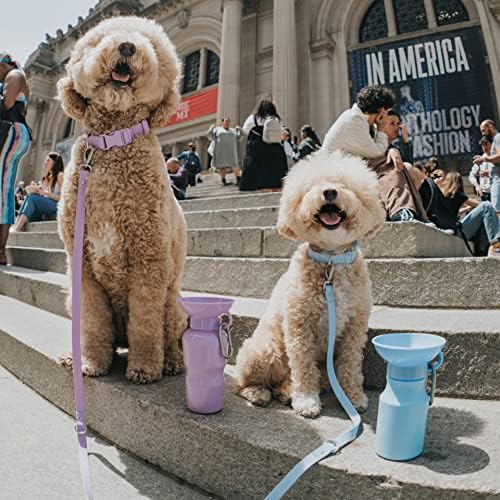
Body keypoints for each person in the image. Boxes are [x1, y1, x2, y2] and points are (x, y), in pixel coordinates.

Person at [366, 110, 428, 222]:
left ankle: (411, 213)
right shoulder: (371, 144)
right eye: (392, 123)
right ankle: (403, 212)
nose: (397, 127)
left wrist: (406, 141)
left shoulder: (396, 148)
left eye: (398, 123)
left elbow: (409, 172)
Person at [322, 85, 402, 171]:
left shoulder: (361, 120)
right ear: (382, 110)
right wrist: (381, 128)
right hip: (333, 172)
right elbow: (378, 153)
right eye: (386, 109)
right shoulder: (355, 120)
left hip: (343, 168)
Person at [423, 170, 500, 257]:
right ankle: (495, 245)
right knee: (486, 205)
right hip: (458, 232)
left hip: (448, 229)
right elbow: (481, 206)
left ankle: (483, 251)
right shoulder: (458, 195)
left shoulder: (440, 196)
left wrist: (467, 208)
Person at [0, 53, 31, 264]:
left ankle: (1, 251)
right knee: (5, 187)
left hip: (12, 133)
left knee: (4, 188)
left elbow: (7, 104)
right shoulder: (17, 76)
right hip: (16, 133)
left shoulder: (14, 74)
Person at [239, 99, 288, 192]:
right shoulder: (277, 119)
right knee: (275, 176)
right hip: (275, 149)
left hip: (258, 149)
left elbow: (245, 131)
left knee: (262, 177)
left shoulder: (253, 118)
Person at [11, 152, 64, 232]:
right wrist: (37, 189)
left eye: (48, 160)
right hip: (46, 209)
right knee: (30, 196)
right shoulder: (48, 177)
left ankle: (18, 227)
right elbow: (45, 196)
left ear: (55, 162)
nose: (45, 162)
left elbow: (63, 198)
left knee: (32, 198)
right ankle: (17, 223)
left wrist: (45, 193)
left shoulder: (60, 175)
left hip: (56, 208)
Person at [473, 119, 500, 212]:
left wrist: (484, 159)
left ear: (490, 127)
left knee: (497, 211)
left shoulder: (497, 137)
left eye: (484, 130)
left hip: (497, 179)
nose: (483, 134)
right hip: (494, 180)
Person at [208, 118, 243, 185]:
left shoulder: (233, 130)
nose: (228, 123)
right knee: (222, 166)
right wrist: (211, 128)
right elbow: (211, 137)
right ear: (222, 122)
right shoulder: (217, 130)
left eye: (228, 121)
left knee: (234, 164)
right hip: (221, 151)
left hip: (231, 151)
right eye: (226, 121)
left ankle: (238, 178)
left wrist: (240, 130)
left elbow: (240, 138)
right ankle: (223, 179)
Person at [469, 136, 494, 202]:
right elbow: (471, 175)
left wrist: (489, 173)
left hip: (495, 191)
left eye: (486, 144)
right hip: (483, 193)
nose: (484, 147)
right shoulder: (480, 158)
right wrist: (477, 186)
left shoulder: (496, 158)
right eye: (482, 145)